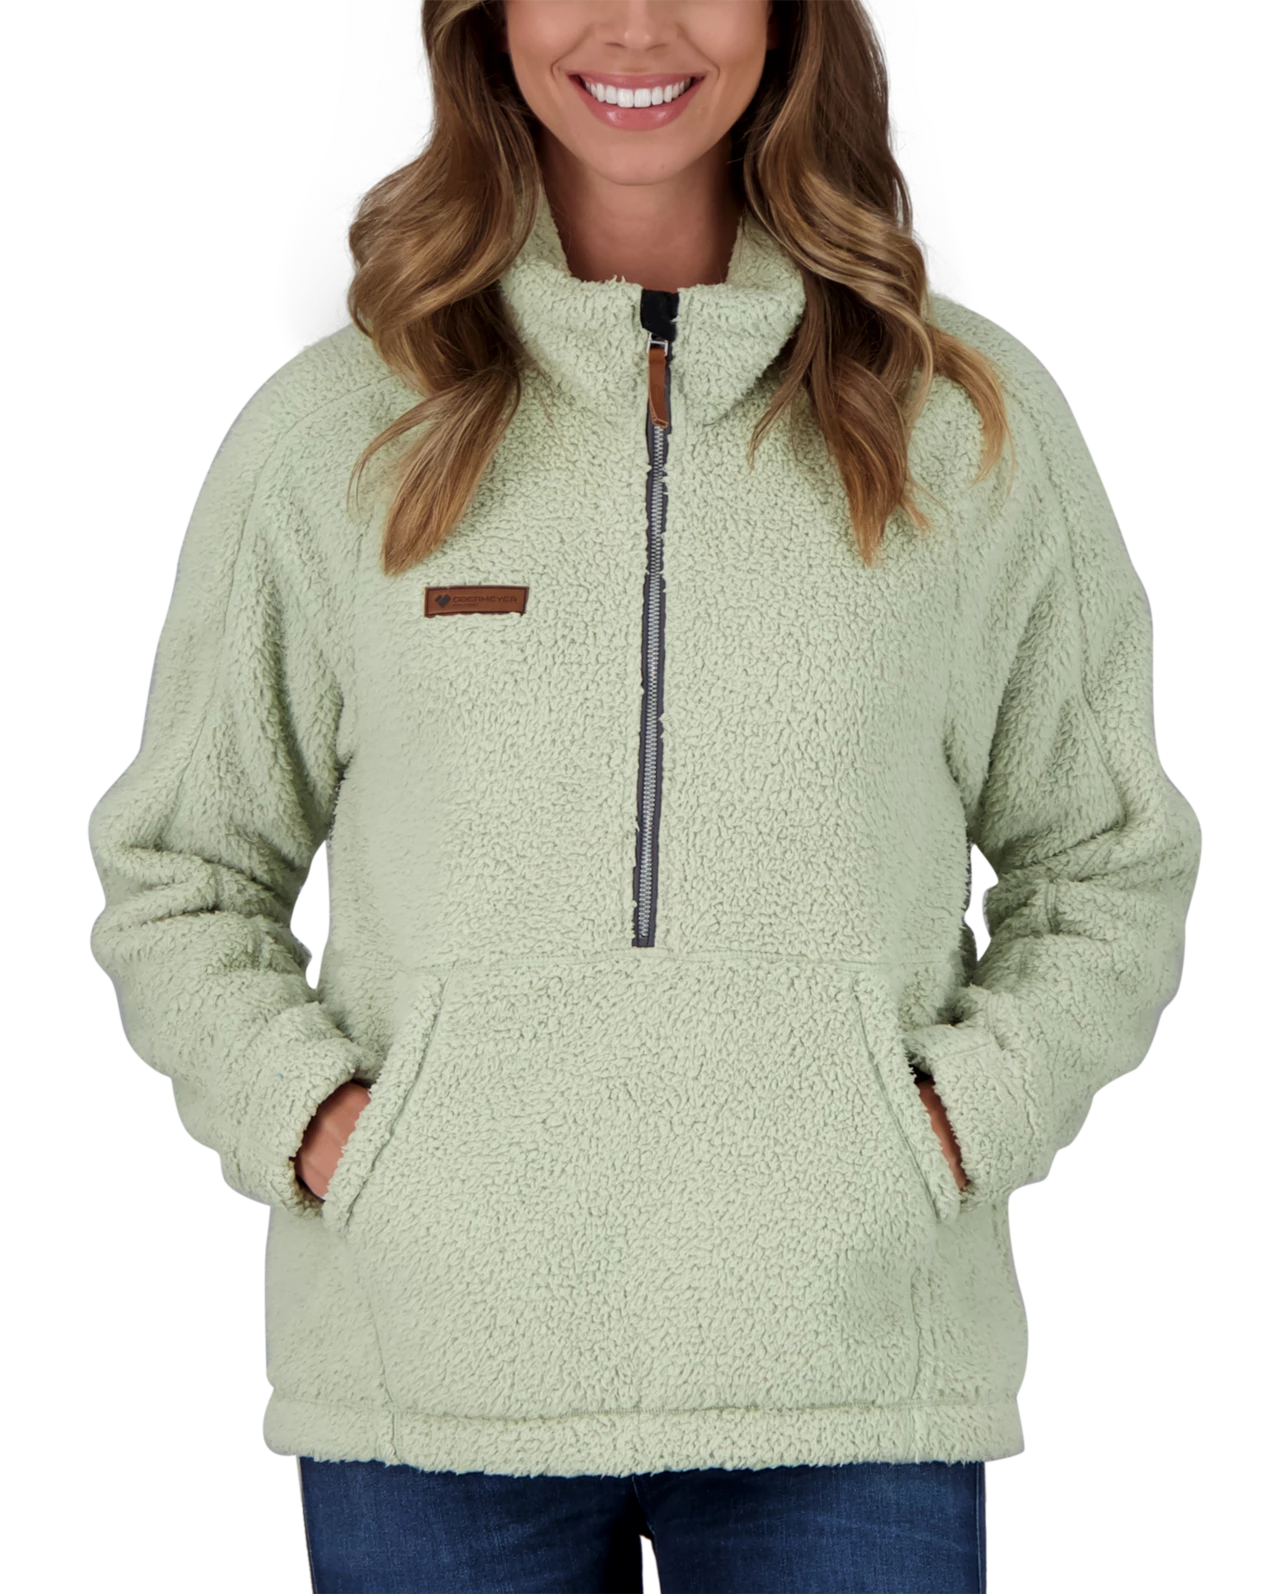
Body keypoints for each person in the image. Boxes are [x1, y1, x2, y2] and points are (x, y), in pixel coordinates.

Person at [84, 0, 1202, 1590]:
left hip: (848, 1373)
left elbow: (1105, 859)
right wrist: (332, 1132)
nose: (634, 25)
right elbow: (179, 870)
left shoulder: (963, 423)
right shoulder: (333, 433)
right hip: (437, 1378)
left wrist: (945, 1127)